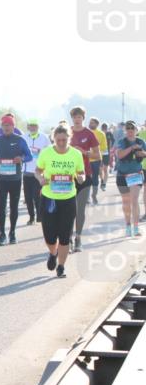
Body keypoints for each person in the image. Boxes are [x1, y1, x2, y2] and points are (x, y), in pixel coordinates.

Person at [35, 124, 86, 278]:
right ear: (54, 139)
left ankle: (61, 266)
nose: (62, 143)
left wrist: (81, 178)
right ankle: (53, 252)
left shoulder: (76, 154)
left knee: (65, 236)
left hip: (68, 199)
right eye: (58, 140)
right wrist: (40, 179)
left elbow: (81, 172)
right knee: (49, 236)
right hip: (49, 199)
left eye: (64, 140)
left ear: (69, 139)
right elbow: (38, 171)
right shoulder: (46, 152)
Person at [0, 114, 33, 245]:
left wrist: (21, 159)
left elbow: (29, 156)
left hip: (15, 179)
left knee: (14, 207)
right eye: (4, 125)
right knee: (1, 207)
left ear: (13, 126)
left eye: (9, 125)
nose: (6, 127)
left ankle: (12, 233)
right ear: (1, 127)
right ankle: (2, 234)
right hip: (1, 179)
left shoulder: (20, 140)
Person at [67, 106, 100, 252]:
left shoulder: (89, 134)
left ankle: (78, 238)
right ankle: (67, 238)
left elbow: (98, 155)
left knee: (80, 209)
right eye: (75, 117)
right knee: (68, 209)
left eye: (79, 117)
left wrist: (84, 152)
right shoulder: (67, 132)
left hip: (85, 175)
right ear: (72, 118)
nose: (77, 119)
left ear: (83, 118)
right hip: (68, 175)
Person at [114, 121, 146, 236]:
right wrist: (132, 148)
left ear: (136, 130)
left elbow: (145, 153)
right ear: (125, 130)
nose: (130, 130)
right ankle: (128, 225)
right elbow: (119, 155)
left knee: (134, 200)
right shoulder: (122, 142)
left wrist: (141, 153)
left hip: (135, 174)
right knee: (126, 202)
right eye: (128, 128)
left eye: (132, 128)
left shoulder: (141, 141)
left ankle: (136, 228)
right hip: (122, 175)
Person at [23, 120, 50, 224]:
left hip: (39, 172)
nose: (33, 128)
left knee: (37, 196)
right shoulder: (23, 137)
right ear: (28, 127)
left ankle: (39, 216)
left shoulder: (44, 137)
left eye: (35, 126)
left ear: (38, 127)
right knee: (28, 197)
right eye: (31, 126)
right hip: (26, 172)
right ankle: (31, 217)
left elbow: (50, 151)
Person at [88, 117, 109, 204]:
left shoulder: (101, 134)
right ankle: (87, 197)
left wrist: (96, 151)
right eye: (90, 122)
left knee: (95, 177)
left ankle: (94, 195)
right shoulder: (86, 132)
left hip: (96, 159)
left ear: (97, 124)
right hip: (86, 159)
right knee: (87, 178)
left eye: (92, 123)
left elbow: (104, 147)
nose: (90, 124)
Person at [99, 122, 114, 190]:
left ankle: (104, 183)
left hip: (106, 153)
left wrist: (111, 148)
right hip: (100, 153)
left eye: (105, 128)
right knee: (100, 169)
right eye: (103, 127)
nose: (104, 129)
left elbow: (113, 141)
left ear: (107, 128)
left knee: (105, 168)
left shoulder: (109, 133)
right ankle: (102, 181)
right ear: (101, 128)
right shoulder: (99, 133)